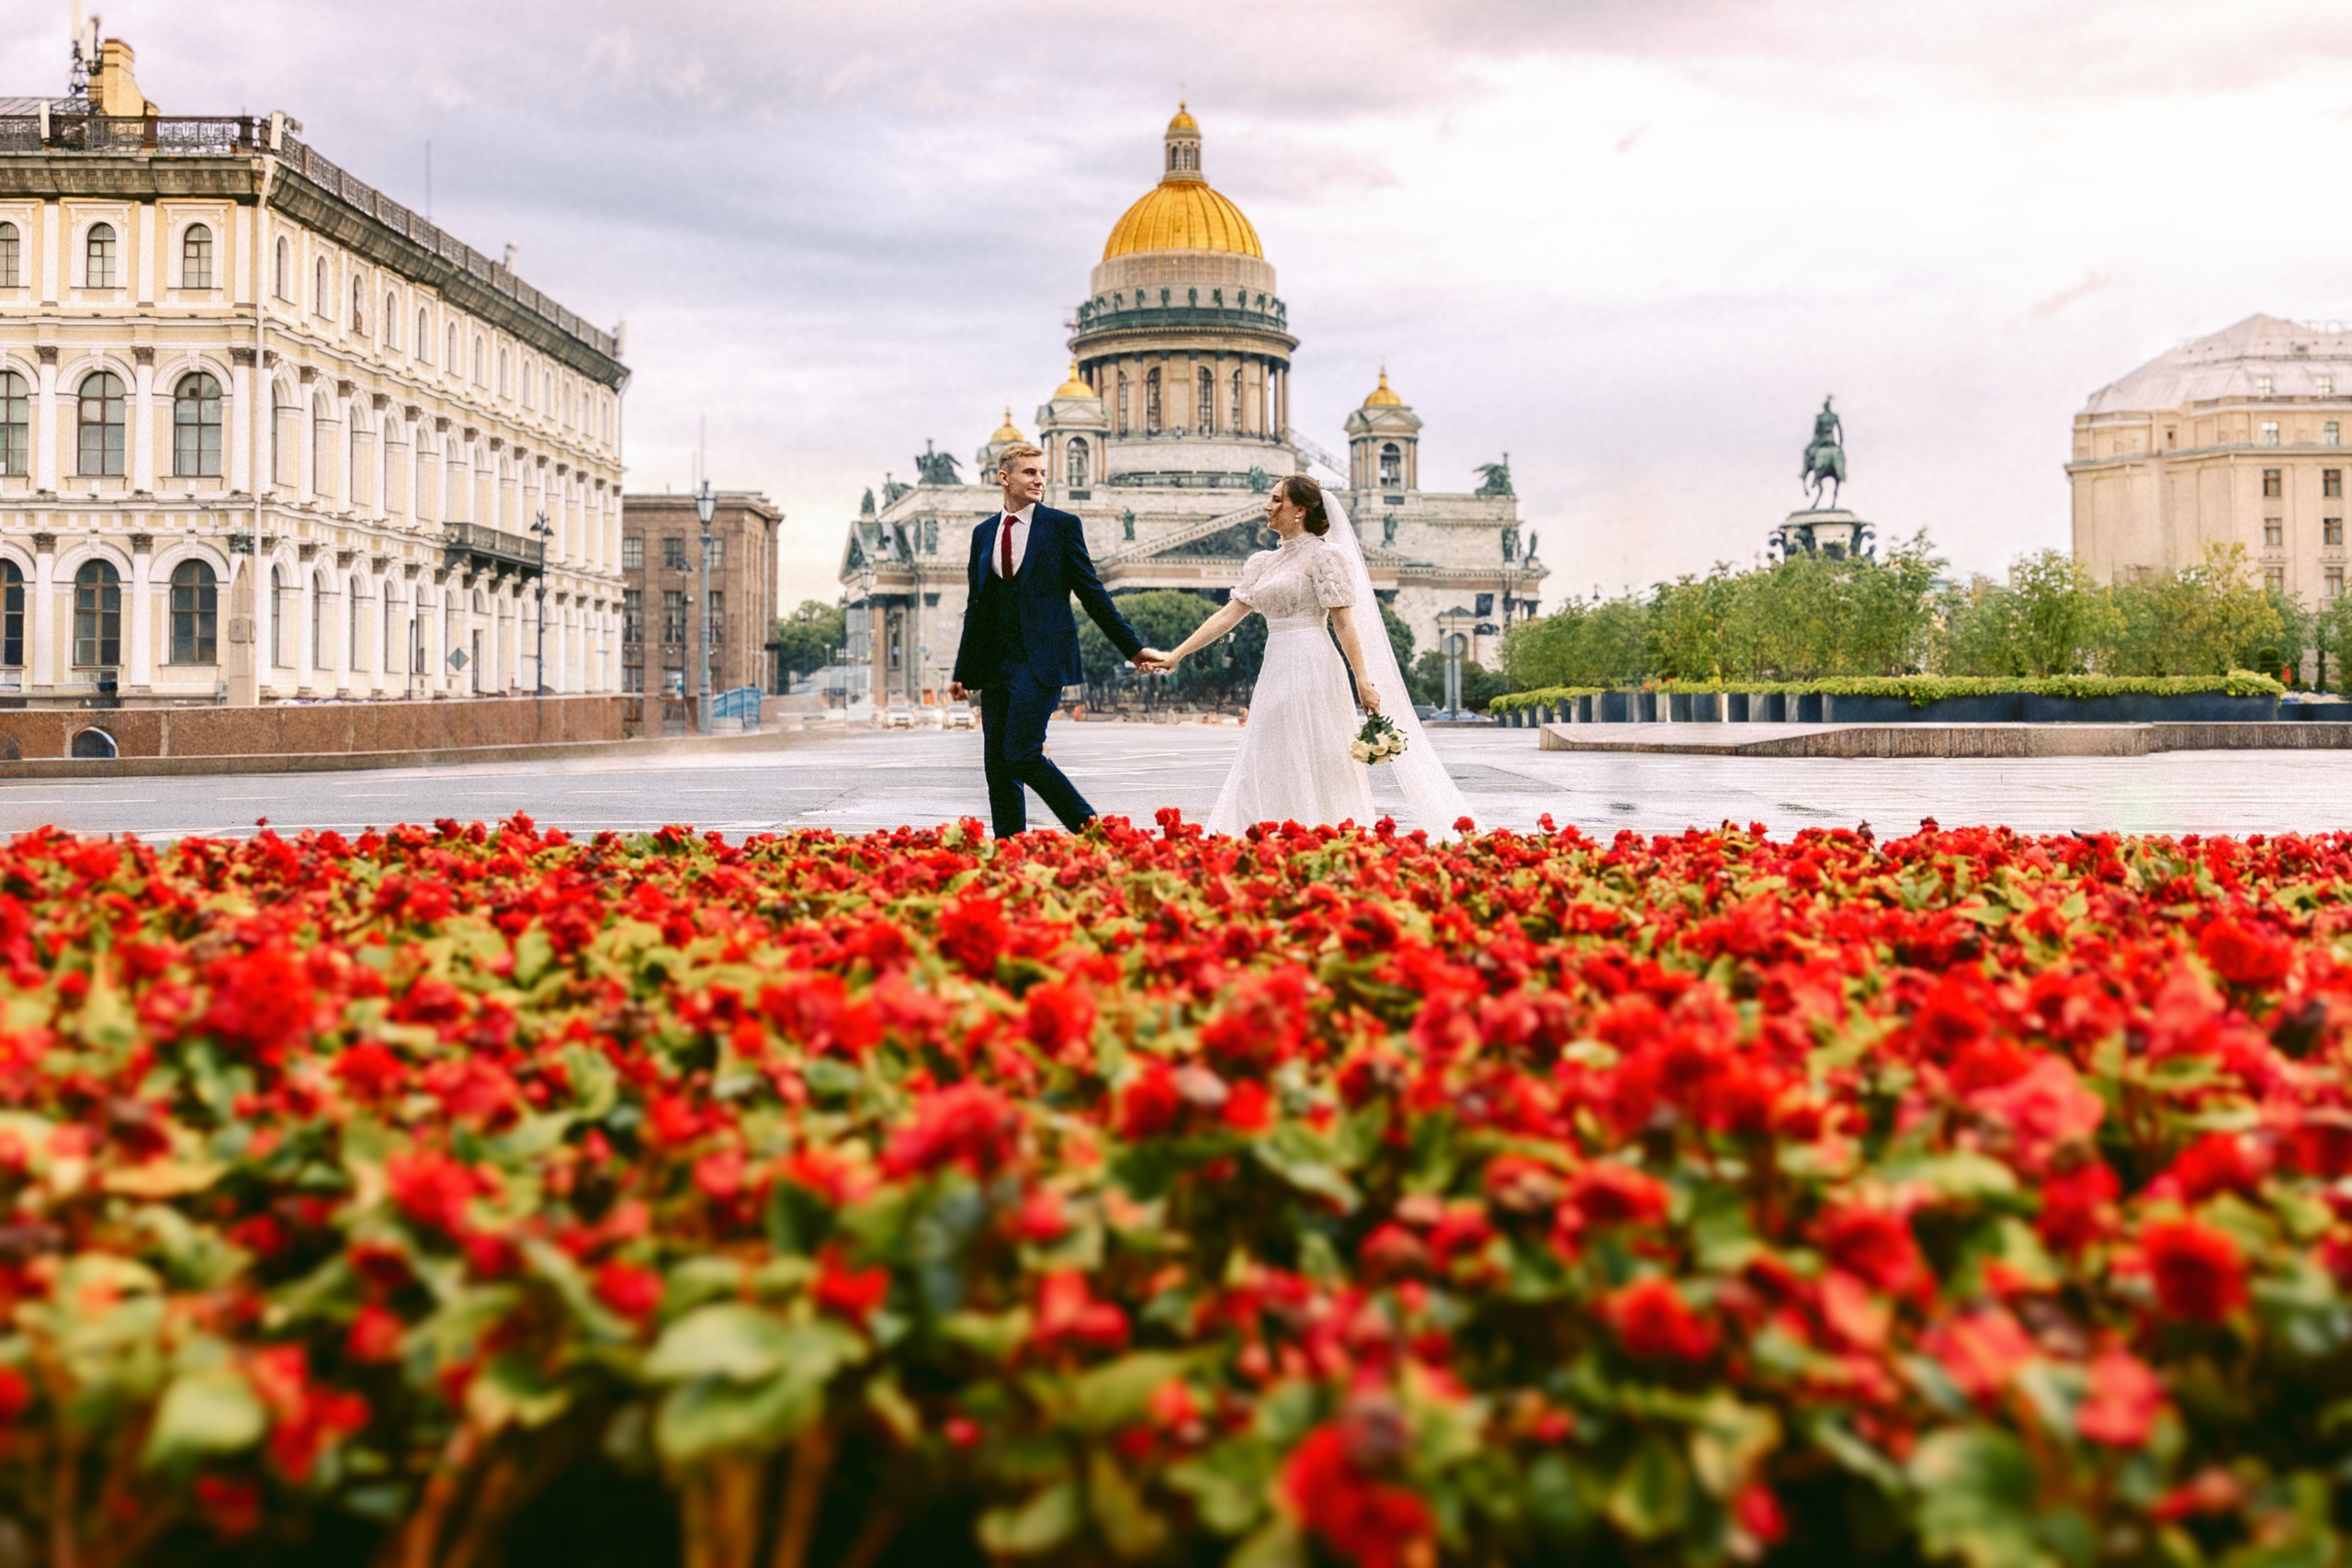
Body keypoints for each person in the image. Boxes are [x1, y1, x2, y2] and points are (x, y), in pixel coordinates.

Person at [1141, 475, 1468, 837]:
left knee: (1309, 751)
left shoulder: (1326, 556)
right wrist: (1178, 654)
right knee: (1264, 752)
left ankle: (1317, 832)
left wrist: (1362, 679)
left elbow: (1343, 622)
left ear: (1300, 510)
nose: (1268, 506)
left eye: (1277, 499)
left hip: (1312, 660)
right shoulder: (1263, 562)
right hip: (1276, 661)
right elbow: (1228, 614)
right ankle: (1264, 833)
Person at [948, 445, 1166, 837]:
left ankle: (1092, 831)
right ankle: (1010, 851)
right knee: (998, 767)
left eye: (1042, 473)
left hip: (1040, 660)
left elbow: (1092, 593)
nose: (1039, 480)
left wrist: (1133, 648)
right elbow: (976, 606)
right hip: (995, 665)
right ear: (1004, 478)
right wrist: (963, 672)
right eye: (1029, 472)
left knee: (1024, 753)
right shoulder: (983, 534)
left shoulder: (1062, 526)